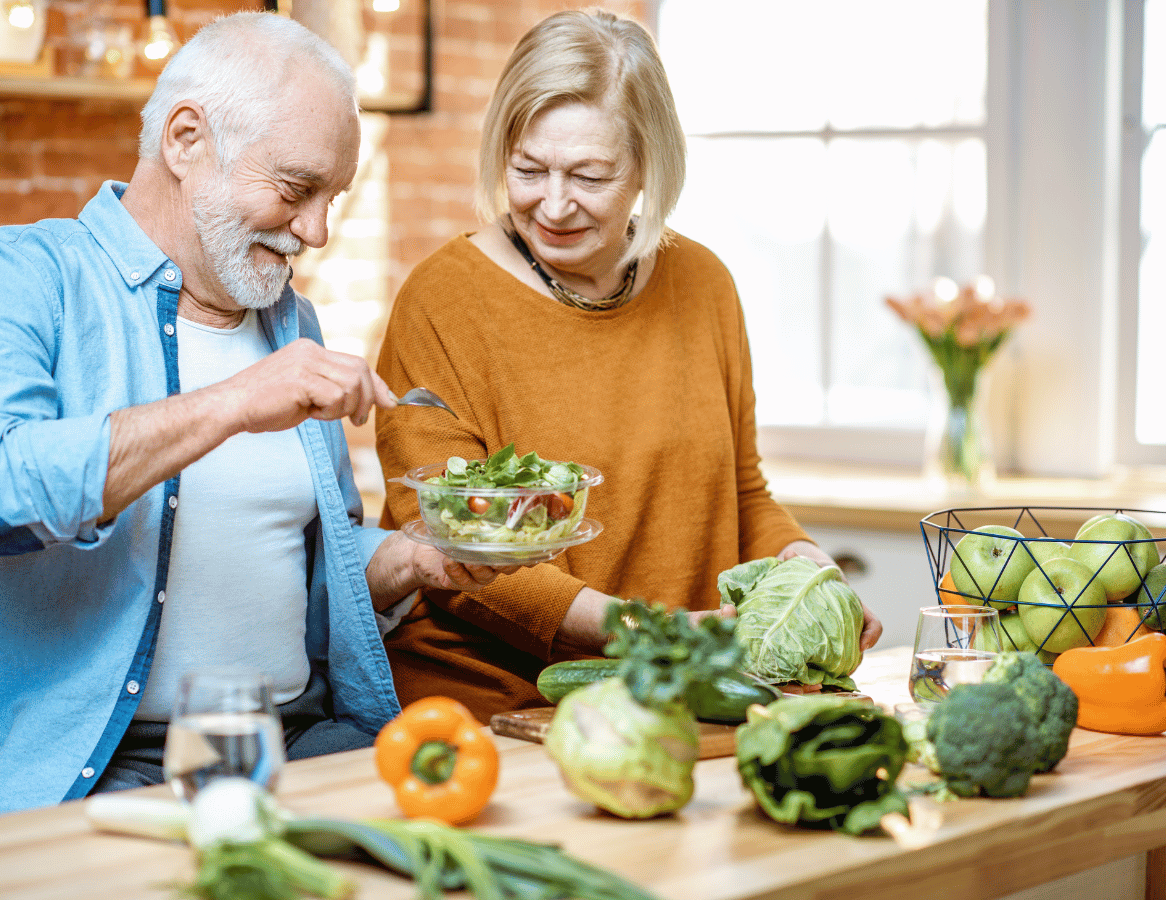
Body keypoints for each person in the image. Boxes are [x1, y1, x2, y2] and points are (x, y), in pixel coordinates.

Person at [0, 12, 509, 819]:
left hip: (306, 740)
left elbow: (290, 566)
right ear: (186, 140)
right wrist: (233, 404)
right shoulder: (25, 274)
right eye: (296, 190)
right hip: (110, 766)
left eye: (333, 198)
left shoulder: (292, 325)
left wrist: (415, 558)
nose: (316, 231)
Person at [373, 9, 883, 722]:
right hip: (499, 707)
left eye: (590, 175)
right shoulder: (442, 300)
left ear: (649, 164)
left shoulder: (704, 284)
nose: (552, 204)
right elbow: (446, 549)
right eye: (527, 169)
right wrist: (651, 632)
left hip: (680, 693)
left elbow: (742, 492)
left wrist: (809, 573)